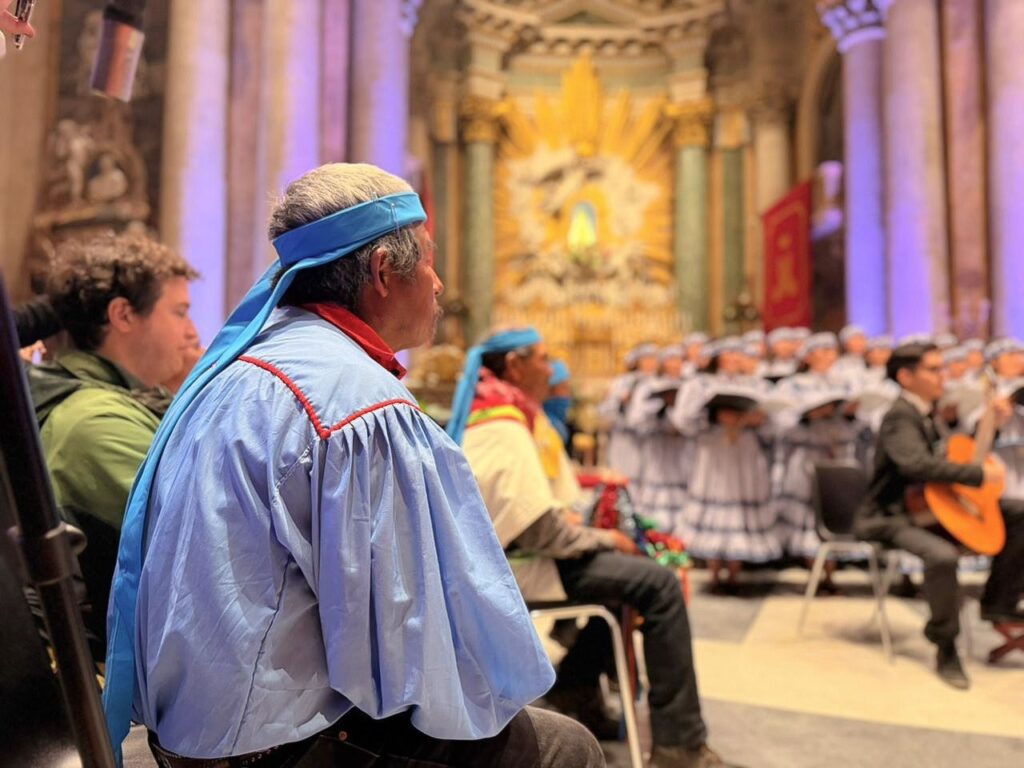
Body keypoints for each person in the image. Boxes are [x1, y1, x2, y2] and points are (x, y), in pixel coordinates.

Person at [103, 163, 602, 768]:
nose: (440, 284)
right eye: (429, 261)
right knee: (565, 748)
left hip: (192, 730)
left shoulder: (250, 360)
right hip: (269, 748)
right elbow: (407, 647)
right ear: (384, 272)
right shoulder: (356, 401)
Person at [449, 328, 729, 768]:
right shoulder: (503, 426)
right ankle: (680, 745)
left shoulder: (508, 414)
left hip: (527, 557)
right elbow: (541, 533)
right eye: (543, 359)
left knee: (630, 579)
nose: (551, 369)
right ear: (515, 366)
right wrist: (607, 538)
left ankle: (575, 687)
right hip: (520, 567)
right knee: (659, 584)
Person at [26, 233, 197, 660]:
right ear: (122, 314)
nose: (192, 331)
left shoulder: (113, 400)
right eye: (179, 312)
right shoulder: (94, 420)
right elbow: (211, 537)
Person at [856, 342, 1024, 689]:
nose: (942, 375)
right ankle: (945, 645)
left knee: (1019, 512)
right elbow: (915, 465)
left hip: (929, 510)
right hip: (891, 516)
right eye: (933, 369)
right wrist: (977, 475)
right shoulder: (899, 416)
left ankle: (999, 602)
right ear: (906, 376)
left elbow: (956, 454)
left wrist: (991, 426)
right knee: (942, 556)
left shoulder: (928, 413)